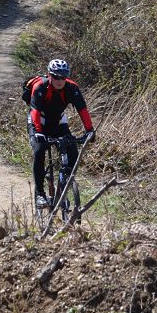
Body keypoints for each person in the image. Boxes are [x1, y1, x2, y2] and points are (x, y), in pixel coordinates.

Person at [28, 59, 95, 207]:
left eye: (63, 77)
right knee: (39, 151)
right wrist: (38, 132)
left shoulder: (72, 88)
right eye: (56, 76)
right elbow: (35, 112)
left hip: (58, 120)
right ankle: (40, 194)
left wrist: (90, 130)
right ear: (49, 75)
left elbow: (82, 110)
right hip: (39, 120)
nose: (60, 80)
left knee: (72, 149)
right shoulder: (40, 87)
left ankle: (64, 184)